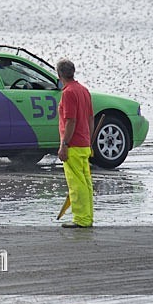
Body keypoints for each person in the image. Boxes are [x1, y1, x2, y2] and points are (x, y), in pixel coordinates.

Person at [56, 58, 95, 228]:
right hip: (84, 144)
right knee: (85, 183)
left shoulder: (68, 93)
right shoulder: (83, 90)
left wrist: (64, 145)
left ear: (59, 75)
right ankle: (87, 217)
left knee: (77, 185)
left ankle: (81, 219)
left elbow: (70, 121)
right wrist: (89, 140)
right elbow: (90, 118)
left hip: (73, 145)